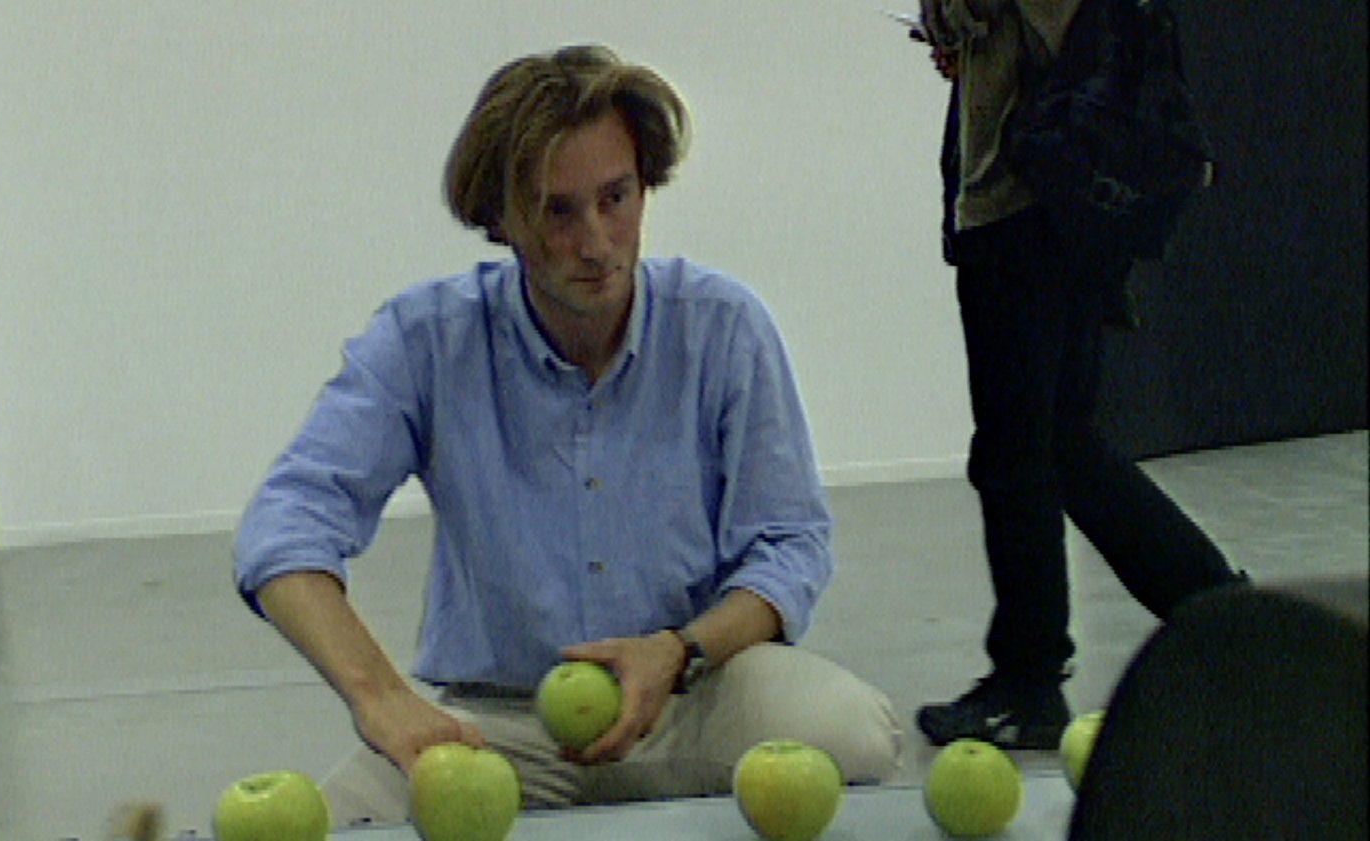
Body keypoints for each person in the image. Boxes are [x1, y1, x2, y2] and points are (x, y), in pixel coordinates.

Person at [233, 44, 902, 827]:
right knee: (341, 821)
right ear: (501, 218)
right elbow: (285, 527)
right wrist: (382, 698)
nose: (596, 242)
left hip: (693, 694)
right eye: (558, 211)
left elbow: (789, 542)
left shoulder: (724, 327)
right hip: (500, 728)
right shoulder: (426, 341)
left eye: (616, 198)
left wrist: (678, 649)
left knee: (848, 731)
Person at [911, 0, 1247, 751]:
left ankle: (1029, 679)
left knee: (1016, 453)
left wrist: (950, 22)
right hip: (1063, 202)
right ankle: (1219, 611)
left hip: (1025, 204)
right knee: (1062, 441)